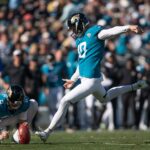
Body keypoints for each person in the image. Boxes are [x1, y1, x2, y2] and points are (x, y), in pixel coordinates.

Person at [35, 12, 149, 142]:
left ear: (79, 25)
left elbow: (111, 31)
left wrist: (128, 27)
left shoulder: (95, 33)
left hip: (90, 81)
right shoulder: (80, 40)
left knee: (64, 101)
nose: (72, 31)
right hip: (90, 80)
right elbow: (81, 64)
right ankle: (135, 86)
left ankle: (47, 132)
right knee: (106, 98)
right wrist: (73, 79)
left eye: (73, 27)